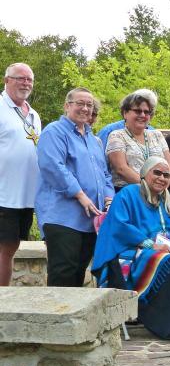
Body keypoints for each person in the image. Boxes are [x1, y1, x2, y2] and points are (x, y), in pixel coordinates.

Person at [92, 157, 170, 343]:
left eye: (166, 175)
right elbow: (119, 226)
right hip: (128, 251)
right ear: (144, 174)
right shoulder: (129, 193)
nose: (161, 178)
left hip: (160, 251)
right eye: (157, 172)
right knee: (165, 260)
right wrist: (148, 244)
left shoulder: (166, 201)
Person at [36, 88, 114, 287]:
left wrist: (108, 198)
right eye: (80, 103)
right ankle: (56, 319)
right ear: (67, 105)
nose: (86, 108)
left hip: (90, 220)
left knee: (79, 272)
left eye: (89, 105)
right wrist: (80, 195)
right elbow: (53, 167)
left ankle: (71, 318)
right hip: (62, 217)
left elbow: (105, 174)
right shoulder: (54, 132)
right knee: (63, 271)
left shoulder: (94, 140)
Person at [0, 63, 41, 286]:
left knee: (11, 248)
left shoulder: (33, 114)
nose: (25, 83)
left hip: (25, 196)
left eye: (29, 80)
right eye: (20, 78)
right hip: (3, 194)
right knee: (3, 250)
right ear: (7, 80)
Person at [106, 92, 170, 192]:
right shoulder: (117, 136)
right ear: (125, 113)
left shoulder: (157, 135)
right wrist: (150, 188)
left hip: (159, 193)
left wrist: (162, 188)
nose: (142, 115)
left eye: (147, 112)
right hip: (130, 194)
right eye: (137, 111)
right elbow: (121, 169)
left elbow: (169, 167)